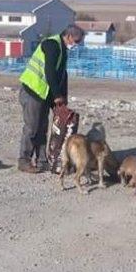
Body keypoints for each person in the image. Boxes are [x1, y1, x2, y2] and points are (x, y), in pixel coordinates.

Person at [17, 24, 84, 173]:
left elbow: (62, 75)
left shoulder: (62, 50)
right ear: (69, 36)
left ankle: (42, 161)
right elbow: (50, 72)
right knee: (32, 128)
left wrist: (63, 97)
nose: (77, 45)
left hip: (43, 94)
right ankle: (24, 160)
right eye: (77, 41)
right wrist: (57, 96)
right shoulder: (51, 45)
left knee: (42, 129)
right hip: (32, 91)